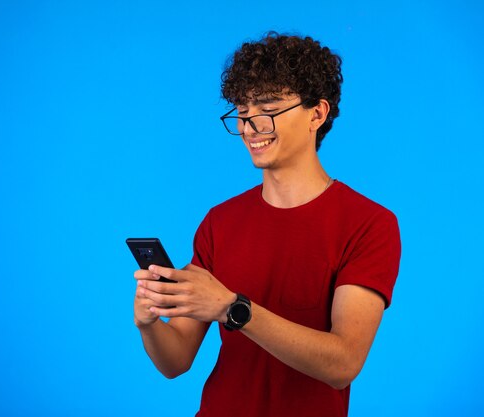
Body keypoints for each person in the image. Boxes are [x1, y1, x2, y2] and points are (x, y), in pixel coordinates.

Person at [133, 32, 401, 417]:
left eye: (268, 108)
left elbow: (343, 364)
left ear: (317, 113)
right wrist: (148, 324)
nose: (249, 126)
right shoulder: (219, 222)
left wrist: (232, 309)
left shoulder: (369, 224)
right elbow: (175, 362)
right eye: (242, 112)